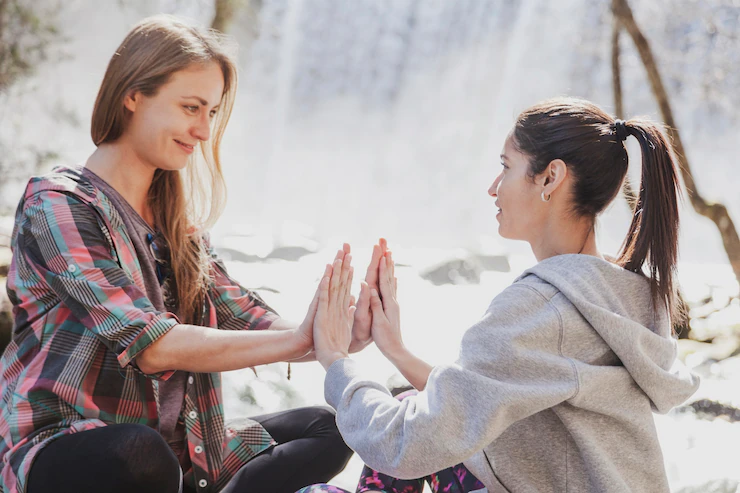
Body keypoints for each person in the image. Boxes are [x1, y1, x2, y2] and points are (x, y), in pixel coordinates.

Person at [0, 15, 380, 493]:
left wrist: (338, 332)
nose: (203, 130)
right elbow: (152, 345)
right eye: (190, 107)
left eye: (213, 113)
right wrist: (304, 338)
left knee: (331, 427)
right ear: (133, 95)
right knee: (141, 454)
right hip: (73, 445)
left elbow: (251, 319)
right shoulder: (57, 203)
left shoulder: (179, 227)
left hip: (184, 452)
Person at [304, 98, 700, 493]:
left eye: (506, 167)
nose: (493, 188)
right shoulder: (617, 295)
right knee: (408, 398)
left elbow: (404, 445)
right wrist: (396, 350)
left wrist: (336, 360)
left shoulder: (542, 308)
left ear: (550, 178)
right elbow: (473, 406)